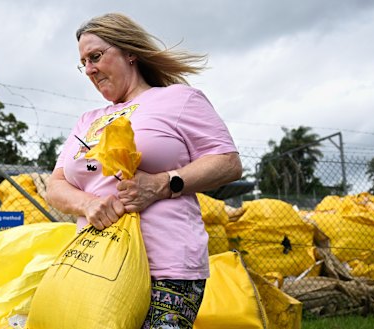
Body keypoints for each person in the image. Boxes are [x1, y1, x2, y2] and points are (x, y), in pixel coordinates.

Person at [47, 12, 242, 329]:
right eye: (83, 63)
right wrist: (87, 204)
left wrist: (164, 184)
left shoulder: (179, 99)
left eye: (96, 57)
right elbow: (55, 185)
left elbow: (228, 162)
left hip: (165, 266)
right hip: (97, 264)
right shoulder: (88, 120)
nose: (89, 70)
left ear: (129, 52)